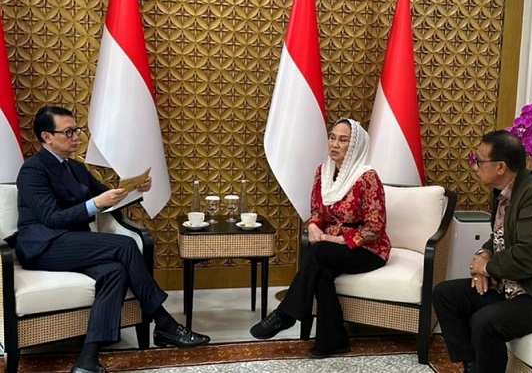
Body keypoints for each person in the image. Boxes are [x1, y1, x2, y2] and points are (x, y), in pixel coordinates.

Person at [11, 106, 210, 373]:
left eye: (76, 130)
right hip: (43, 245)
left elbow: (110, 198)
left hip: (75, 242)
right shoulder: (32, 170)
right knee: (126, 245)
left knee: (115, 272)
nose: (76, 137)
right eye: (68, 132)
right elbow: (51, 217)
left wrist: (134, 190)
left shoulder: (76, 168)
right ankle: (164, 322)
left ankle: (88, 360)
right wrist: (94, 204)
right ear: (47, 137)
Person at [433, 130, 532, 373]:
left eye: (479, 161)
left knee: (485, 322)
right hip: (516, 283)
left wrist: (487, 268)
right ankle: (472, 366)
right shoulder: (504, 192)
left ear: (500, 167)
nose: (475, 167)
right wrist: (484, 254)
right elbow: (501, 237)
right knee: (446, 295)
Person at [249, 118, 391, 358]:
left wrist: (336, 240)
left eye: (343, 140)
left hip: (368, 250)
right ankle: (333, 340)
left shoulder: (367, 178)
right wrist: (314, 226)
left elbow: (375, 227)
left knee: (318, 252)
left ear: (355, 146)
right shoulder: (323, 172)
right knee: (322, 273)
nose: (334, 144)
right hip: (331, 247)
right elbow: (317, 211)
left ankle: (285, 314)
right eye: (332, 137)